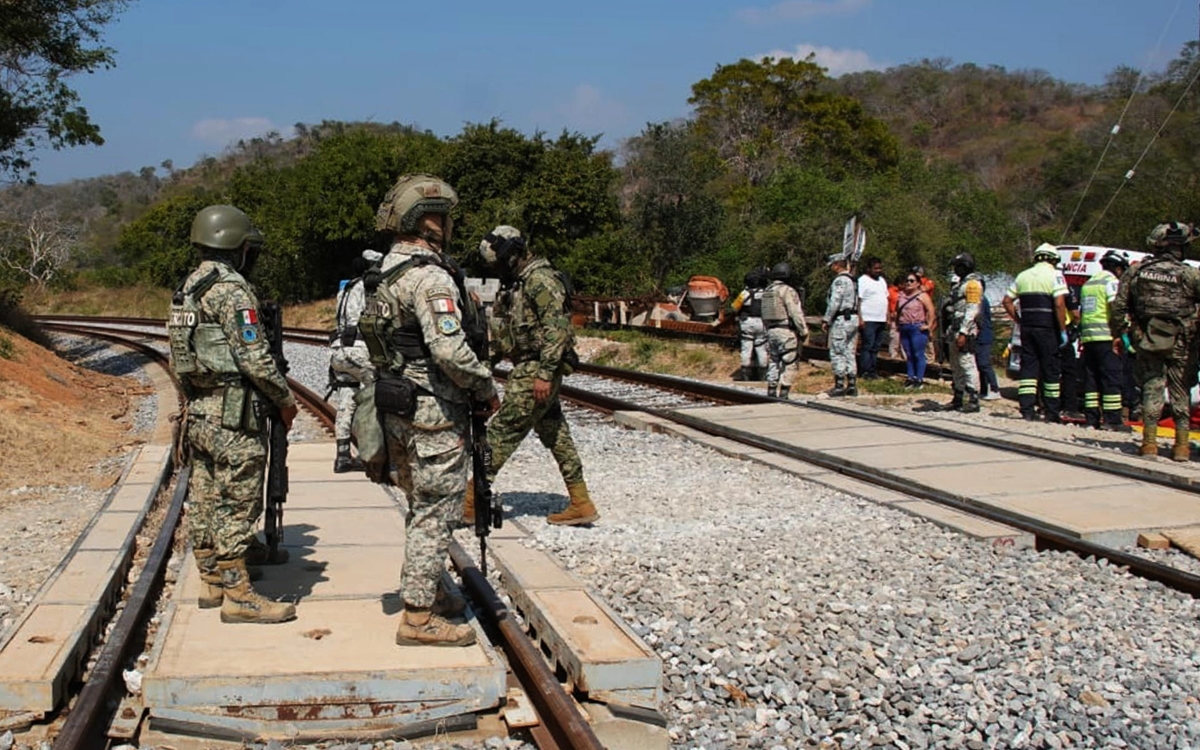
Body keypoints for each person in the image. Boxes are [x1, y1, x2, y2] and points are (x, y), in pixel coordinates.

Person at [358, 174, 500, 646]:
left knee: (420, 506)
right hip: (434, 416)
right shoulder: (430, 277)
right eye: (445, 217)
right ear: (428, 221)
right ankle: (418, 618)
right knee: (435, 512)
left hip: (397, 408)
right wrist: (484, 386)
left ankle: (432, 588)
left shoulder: (385, 272)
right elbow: (449, 351)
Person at [166, 205, 298, 625]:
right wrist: (284, 399)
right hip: (234, 413)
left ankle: (211, 579)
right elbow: (254, 357)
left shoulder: (187, 289)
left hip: (201, 410)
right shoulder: (232, 291)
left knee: (205, 495)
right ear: (236, 246)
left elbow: (178, 356)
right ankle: (239, 596)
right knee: (238, 501)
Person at [466, 225, 599, 526]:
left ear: (513, 255)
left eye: (499, 263)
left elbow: (557, 330)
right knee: (556, 434)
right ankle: (581, 501)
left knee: (501, 432)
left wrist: (546, 374)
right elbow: (502, 335)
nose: (497, 270)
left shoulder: (540, 280)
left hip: (535, 370)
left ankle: (471, 500)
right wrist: (482, 370)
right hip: (531, 367)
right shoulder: (517, 284)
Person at [1111, 221, 1200, 461]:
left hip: (1147, 340)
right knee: (1181, 391)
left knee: (1152, 387)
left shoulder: (1136, 272)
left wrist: (1122, 334)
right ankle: (1182, 447)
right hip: (1183, 343)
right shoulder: (1191, 274)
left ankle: (1149, 444)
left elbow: (1119, 307)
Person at [328, 249, 382, 473]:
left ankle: (342, 456)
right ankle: (369, 453)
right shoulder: (368, 288)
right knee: (373, 396)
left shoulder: (345, 289)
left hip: (338, 351)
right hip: (359, 351)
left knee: (346, 402)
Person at [1002, 243, 1069, 422]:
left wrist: (1019, 320)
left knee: (1028, 369)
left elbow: (1007, 301)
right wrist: (1063, 330)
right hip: (1047, 328)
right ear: (1053, 260)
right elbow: (1059, 304)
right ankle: (1052, 412)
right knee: (1050, 370)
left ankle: (1027, 410)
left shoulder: (1022, 275)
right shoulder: (1056, 275)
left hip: (1028, 328)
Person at [1079, 250, 1129, 429]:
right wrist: (1121, 333)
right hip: (1106, 337)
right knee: (1111, 377)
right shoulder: (1111, 282)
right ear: (1117, 268)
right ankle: (1112, 420)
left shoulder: (1089, 283)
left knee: (1091, 379)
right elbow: (1115, 309)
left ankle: (1091, 418)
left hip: (1088, 338)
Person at [942, 253, 984, 413]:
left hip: (965, 329)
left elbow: (972, 310)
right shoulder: (960, 284)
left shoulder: (973, 284)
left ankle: (973, 399)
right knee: (955, 365)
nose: (955, 269)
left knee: (967, 363)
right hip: (954, 327)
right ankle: (958, 397)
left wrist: (964, 332)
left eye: (958, 266)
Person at [761, 261, 809, 399]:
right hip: (786, 331)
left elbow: (763, 314)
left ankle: (771, 389)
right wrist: (803, 331)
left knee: (773, 361)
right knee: (790, 361)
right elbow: (795, 313)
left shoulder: (767, 291)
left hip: (771, 331)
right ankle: (784, 392)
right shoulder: (788, 291)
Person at [823, 256, 859, 396]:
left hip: (842, 319)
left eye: (832, 265)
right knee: (849, 351)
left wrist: (827, 319)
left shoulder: (840, 280)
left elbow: (835, 301)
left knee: (837, 351)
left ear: (837, 265)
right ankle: (852, 383)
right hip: (853, 318)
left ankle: (839, 384)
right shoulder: (853, 280)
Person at [894, 271, 935, 389]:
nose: (908, 283)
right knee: (909, 354)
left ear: (918, 283)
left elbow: (931, 310)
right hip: (904, 326)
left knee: (918, 353)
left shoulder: (922, 296)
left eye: (912, 281)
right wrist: (897, 323)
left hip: (917, 327)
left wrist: (929, 325)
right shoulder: (901, 296)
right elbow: (897, 310)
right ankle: (910, 377)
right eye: (907, 280)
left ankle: (919, 378)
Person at [731, 267, 768, 381]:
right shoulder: (765, 293)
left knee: (746, 348)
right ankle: (763, 374)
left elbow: (734, 307)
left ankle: (745, 374)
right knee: (762, 349)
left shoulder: (744, 293)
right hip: (762, 323)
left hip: (747, 323)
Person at [856, 257, 888, 379]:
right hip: (868, 318)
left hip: (881, 318)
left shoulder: (882, 281)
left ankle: (873, 370)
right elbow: (858, 300)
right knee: (867, 346)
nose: (878, 270)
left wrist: (887, 316)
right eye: (875, 268)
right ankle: (865, 370)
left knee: (876, 347)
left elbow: (885, 298)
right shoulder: (863, 281)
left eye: (880, 268)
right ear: (869, 269)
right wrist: (860, 318)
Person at [975, 283, 1001, 400]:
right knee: (980, 364)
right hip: (979, 336)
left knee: (984, 363)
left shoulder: (981, 300)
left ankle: (995, 389)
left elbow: (979, 317)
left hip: (984, 335)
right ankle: (983, 390)